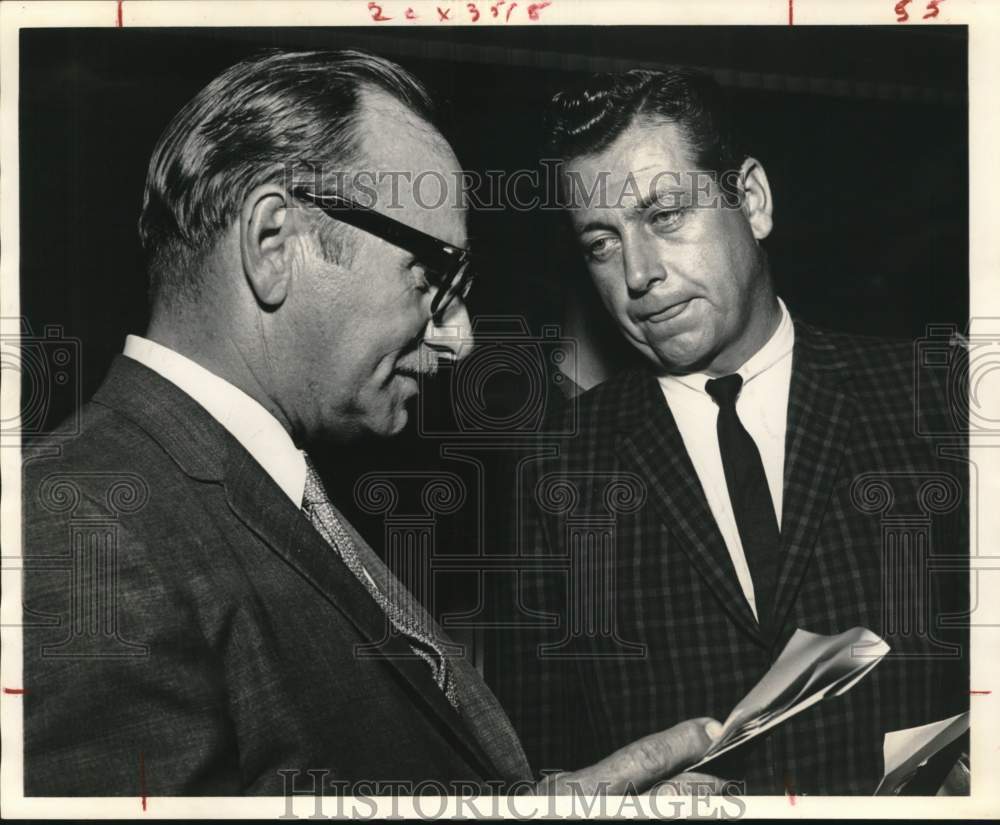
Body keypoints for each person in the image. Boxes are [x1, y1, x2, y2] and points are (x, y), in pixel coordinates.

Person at [21, 49, 725, 797]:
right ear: (272, 244)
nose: (461, 339)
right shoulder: (85, 527)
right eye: (430, 277)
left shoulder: (249, 493)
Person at [492, 68, 969, 795]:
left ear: (752, 200)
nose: (639, 274)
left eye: (665, 215)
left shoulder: (933, 396)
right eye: (601, 243)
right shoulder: (555, 466)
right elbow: (534, 757)